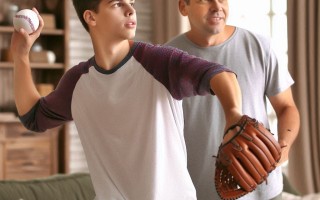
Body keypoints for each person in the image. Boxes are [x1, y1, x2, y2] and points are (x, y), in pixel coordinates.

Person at [10, 1, 246, 199]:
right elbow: (34, 117)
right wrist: (21, 55)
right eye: (117, 3)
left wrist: (234, 115)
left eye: (131, 3)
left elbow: (220, 75)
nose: (130, 9)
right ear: (91, 17)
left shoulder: (158, 62)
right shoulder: (77, 82)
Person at [165, 0, 300, 199]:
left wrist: (284, 147)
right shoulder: (167, 60)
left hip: (265, 191)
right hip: (198, 192)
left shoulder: (259, 46)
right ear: (183, 7)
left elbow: (287, 107)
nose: (217, 6)